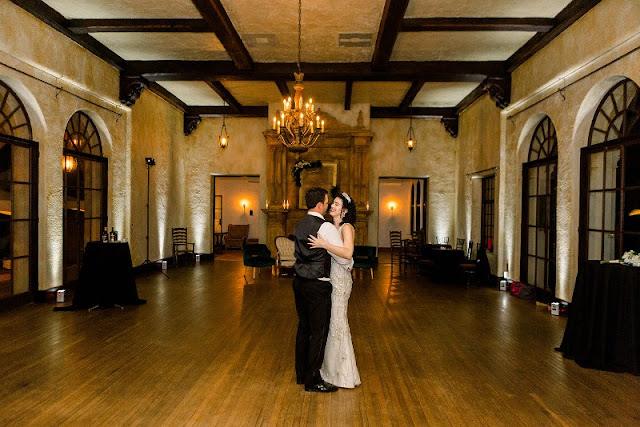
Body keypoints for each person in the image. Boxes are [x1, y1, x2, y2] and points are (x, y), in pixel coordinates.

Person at [292, 187, 351, 393]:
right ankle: (313, 379)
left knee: (303, 329)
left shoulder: (299, 224)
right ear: (319, 205)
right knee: (318, 332)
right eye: (326, 202)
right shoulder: (325, 227)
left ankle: (301, 375)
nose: (328, 206)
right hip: (318, 284)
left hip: (299, 282)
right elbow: (344, 257)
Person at [308, 192, 361, 389]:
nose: (332, 207)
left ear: (344, 211)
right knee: (331, 322)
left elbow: (347, 253)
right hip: (331, 278)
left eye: (336, 205)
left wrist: (324, 244)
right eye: (332, 204)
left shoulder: (347, 228)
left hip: (341, 281)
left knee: (338, 322)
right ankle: (328, 369)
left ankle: (342, 374)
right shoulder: (331, 227)